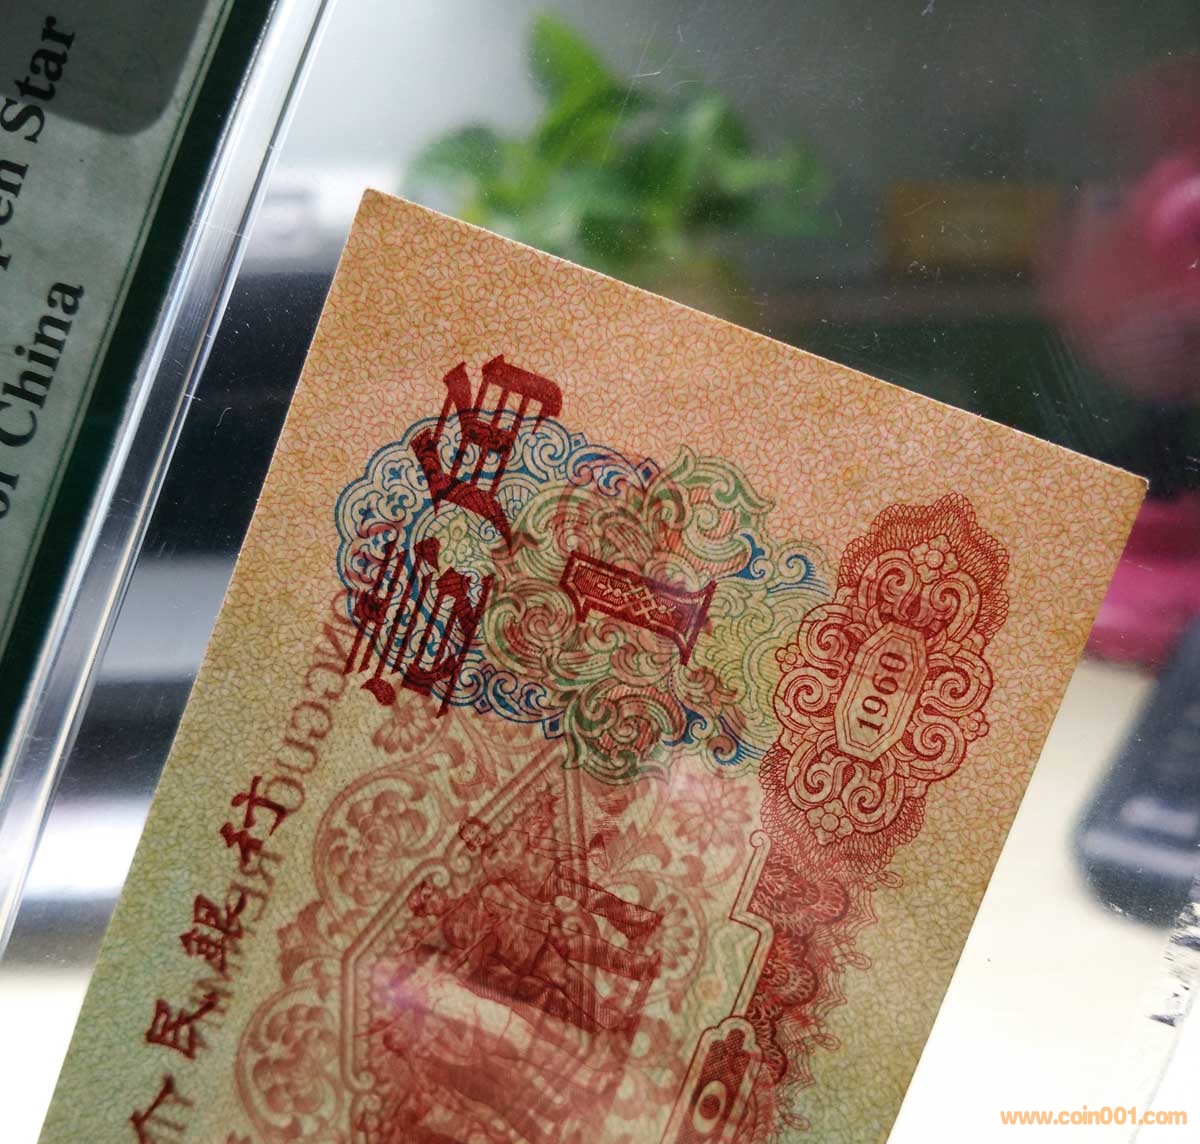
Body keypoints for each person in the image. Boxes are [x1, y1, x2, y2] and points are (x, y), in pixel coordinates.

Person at [407, 876, 659, 1034]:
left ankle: (639, 967)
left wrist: (536, 914)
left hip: (536, 929)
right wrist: (485, 932)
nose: (435, 897)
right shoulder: (451, 928)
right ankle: (612, 1022)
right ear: (426, 912)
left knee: (589, 947)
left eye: (431, 891)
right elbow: (480, 954)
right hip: (522, 952)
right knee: (568, 978)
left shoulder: (472, 894)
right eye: (427, 901)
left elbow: (510, 904)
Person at [457, 814, 662, 944]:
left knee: (595, 892)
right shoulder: (488, 863)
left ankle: (630, 929)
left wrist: (579, 852)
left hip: (553, 868)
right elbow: (508, 892)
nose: (476, 837)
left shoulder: (509, 834)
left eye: (474, 831)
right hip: (543, 885)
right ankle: (642, 918)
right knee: (591, 896)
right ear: (471, 844)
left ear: (481, 826)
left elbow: (546, 846)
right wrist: (535, 909)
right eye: (471, 838)